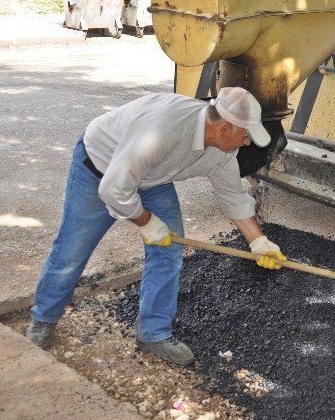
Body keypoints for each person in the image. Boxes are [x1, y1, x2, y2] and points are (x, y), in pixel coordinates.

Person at [26, 87, 286, 365]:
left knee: (169, 249)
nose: (247, 142)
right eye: (245, 135)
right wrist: (147, 223)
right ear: (223, 128)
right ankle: (44, 317)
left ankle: (153, 332)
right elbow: (114, 190)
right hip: (100, 167)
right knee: (72, 251)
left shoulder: (222, 150)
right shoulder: (163, 131)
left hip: (153, 178)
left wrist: (258, 242)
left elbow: (233, 195)